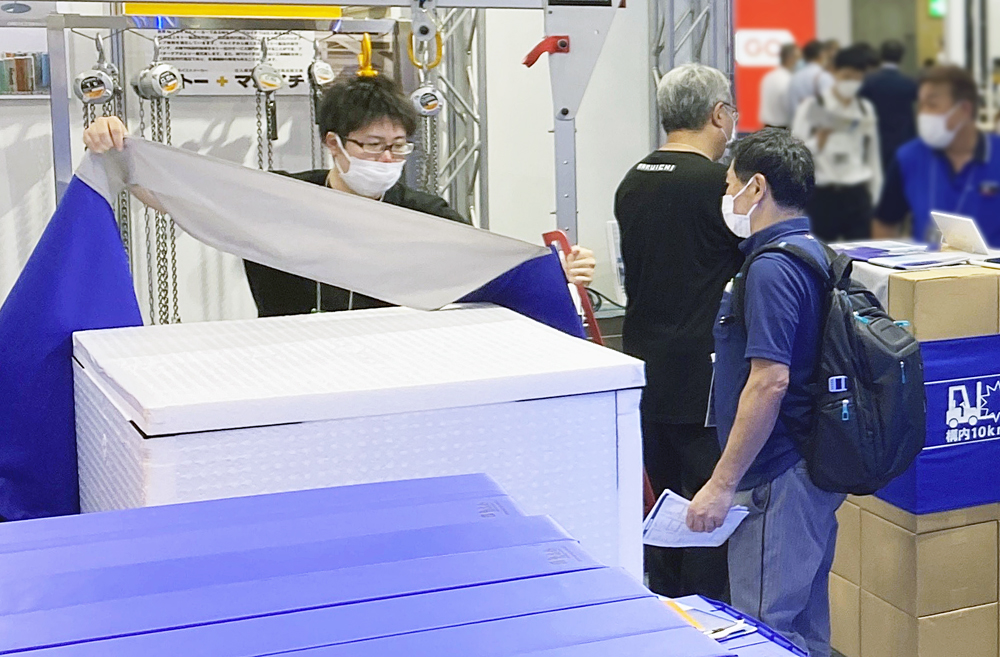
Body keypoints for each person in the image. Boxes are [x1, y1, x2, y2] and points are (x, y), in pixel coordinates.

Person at [83, 74, 596, 315]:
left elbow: (484, 269)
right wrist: (117, 150)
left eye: (399, 146)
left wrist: (554, 272)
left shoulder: (424, 213)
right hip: (291, 363)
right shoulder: (283, 198)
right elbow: (175, 196)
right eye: (372, 145)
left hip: (394, 366)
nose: (387, 159)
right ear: (334, 143)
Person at [687, 128, 845, 657]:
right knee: (804, 625)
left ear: (756, 188)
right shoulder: (815, 254)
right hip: (807, 465)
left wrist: (722, 483)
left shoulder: (772, 269)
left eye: (730, 185)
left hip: (775, 476)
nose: (727, 197)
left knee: (763, 629)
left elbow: (769, 380)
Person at [614, 63, 744, 602]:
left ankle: (664, 611)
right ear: (718, 114)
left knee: (660, 507)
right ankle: (708, 620)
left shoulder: (633, 179)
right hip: (703, 377)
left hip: (645, 368)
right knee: (707, 512)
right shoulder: (720, 187)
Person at [874, 66, 1000, 245]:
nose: (923, 114)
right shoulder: (908, 158)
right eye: (921, 106)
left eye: (932, 105)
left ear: (964, 109)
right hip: (926, 262)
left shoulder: (996, 154)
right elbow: (885, 223)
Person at [792, 45, 882, 241]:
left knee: (861, 254)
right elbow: (795, 154)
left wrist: (875, 197)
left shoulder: (864, 108)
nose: (851, 83)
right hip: (823, 195)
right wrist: (818, 143)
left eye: (857, 78)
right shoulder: (813, 106)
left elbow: (873, 155)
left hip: (857, 193)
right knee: (821, 253)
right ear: (833, 72)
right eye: (846, 76)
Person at [861, 40, 919, 172]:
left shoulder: (869, 81)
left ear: (880, 56)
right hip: (903, 136)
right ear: (902, 58)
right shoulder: (909, 83)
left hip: (876, 135)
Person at [787, 40, 835, 119]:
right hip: (818, 123)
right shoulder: (824, 77)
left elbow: (791, 105)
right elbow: (830, 106)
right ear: (821, 54)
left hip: (798, 123)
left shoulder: (794, 77)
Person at [758, 43, 800, 129]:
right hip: (783, 128)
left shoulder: (769, 77)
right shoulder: (788, 80)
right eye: (797, 58)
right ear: (790, 59)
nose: (798, 62)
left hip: (768, 127)